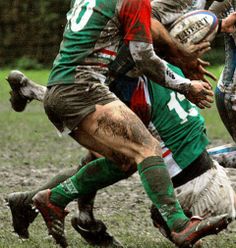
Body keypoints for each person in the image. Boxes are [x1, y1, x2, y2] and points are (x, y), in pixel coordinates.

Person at [7, 1, 236, 247]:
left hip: (80, 84)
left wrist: (215, 27)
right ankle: (179, 226)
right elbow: (145, 48)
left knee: (122, 160)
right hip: (95, 86)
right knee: (145, 149)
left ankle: (47, 203)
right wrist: (184, 78)